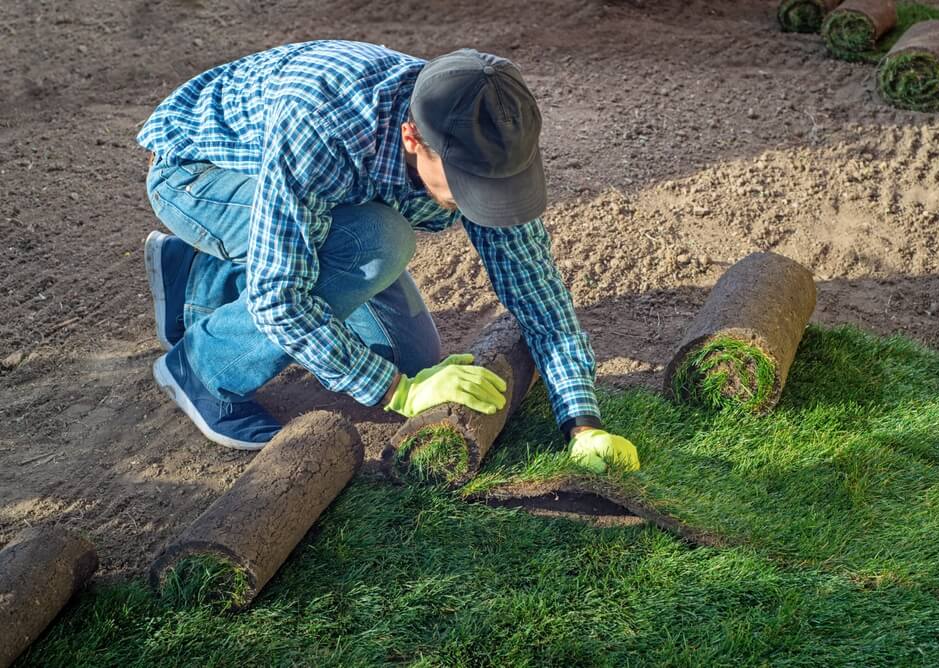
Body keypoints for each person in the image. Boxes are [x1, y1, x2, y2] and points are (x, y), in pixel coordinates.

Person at [137, 40, 639, 473]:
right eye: (465, 185)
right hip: (198, 173)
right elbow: (279, 298)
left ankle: (196, 277)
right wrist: (398, 394)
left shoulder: (488, 136)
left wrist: (582, 422)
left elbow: (534, 288)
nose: (477, 201)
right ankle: (202, 369)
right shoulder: (324, 124)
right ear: (412, 138)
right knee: (377, 243)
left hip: (304, 195)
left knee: (412, 360)